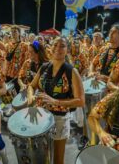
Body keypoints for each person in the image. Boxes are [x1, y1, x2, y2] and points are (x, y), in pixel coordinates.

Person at [27, 36, 85, 164]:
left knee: (58, 160)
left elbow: (81, 101)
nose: (58, 48)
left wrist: (55, 102)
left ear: (67, 50)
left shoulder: (72, 72)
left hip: (59, 119)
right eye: (55, 45)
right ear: (50, 47)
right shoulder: (44, 67)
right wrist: (31, 96)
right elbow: (32, 85)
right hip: (41, 115)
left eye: (62, 46)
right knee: (42, 155)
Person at [6, 26, 28, 93]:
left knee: (18, 92)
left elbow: (26, 60)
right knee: (9, 94)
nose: (13, 33)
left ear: (19, 33)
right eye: (12, 32)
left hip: (18, 74)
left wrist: (23, 73)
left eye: (15, 31)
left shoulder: (24, 45)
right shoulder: (8, 45)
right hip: (8, 73)